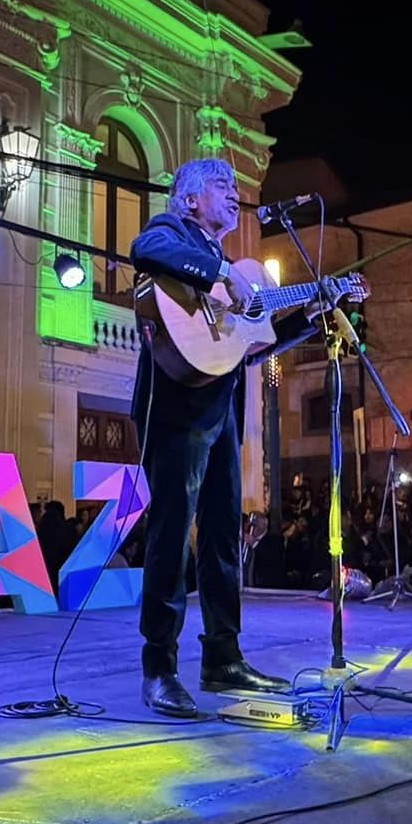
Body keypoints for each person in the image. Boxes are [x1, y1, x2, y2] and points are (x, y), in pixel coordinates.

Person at [129, 158, 344, 716]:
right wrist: (223, 274)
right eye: (222, 187)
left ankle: (223, 658)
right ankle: (159, 668)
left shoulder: (232, 264)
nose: (233, 195)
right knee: (172, 535)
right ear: (191, 198)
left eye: (233, 187)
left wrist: (310, 315)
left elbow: (254, 343)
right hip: (174, 408)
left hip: (220, 408)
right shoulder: (172, 231)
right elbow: (146, 251)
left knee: (225, 536)